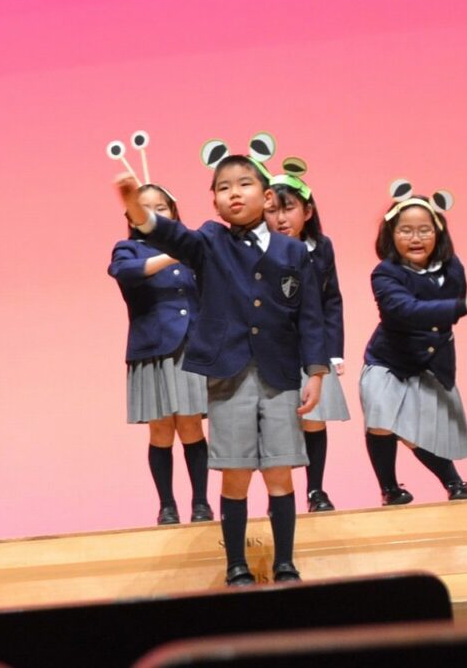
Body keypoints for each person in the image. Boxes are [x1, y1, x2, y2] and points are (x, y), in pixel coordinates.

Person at [115, 137, 327, 586]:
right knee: (235, 472)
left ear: (266, 197)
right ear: (213, 200)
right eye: (224, 186)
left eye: (244, 183)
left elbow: (310, 315)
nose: (234, 192)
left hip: (280, 374)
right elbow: (171, 235)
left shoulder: (293, 251)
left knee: (280, 471)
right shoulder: (210, 240)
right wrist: (137, 209)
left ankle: (285, 562)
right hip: (228, 375)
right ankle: (235, 564)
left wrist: (316, 371)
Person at [361, 182, 467, 506]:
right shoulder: (384, 274)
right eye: (405, 230)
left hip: (431, 363)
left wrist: (458, 307)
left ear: (438, 232)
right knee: (381, 420)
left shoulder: (452, 267)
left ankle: (454, 482)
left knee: (422, 432)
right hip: (387, 362)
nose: (415, 238)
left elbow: (449, 311)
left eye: (424, 230)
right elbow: (405, 310)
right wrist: (462, 306)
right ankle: (390, 489)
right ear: (391, 234)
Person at [109, 183, 213, 526]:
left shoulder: (195, 249)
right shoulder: (128, 249)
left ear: (174, 212)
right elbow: (123, 272)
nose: (154, 213)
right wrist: (172, 253)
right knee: (161, 429)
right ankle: (167, 506)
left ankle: (201, 504)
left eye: (161, 207)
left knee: (191, 425)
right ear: (132, 217)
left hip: (191, 347)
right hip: (152, 350)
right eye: (145, 208)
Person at [265, 160, 349, 512]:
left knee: (314, 419)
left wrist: (334, 351)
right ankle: (278, 497)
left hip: (312, 348)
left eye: (288, 209)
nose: (281, 218)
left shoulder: (321, 247)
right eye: (272, 211)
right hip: (273, 349)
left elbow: (332, 300)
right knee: (277, 424)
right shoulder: (258, 249)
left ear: (308, 211)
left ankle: (316, 491)